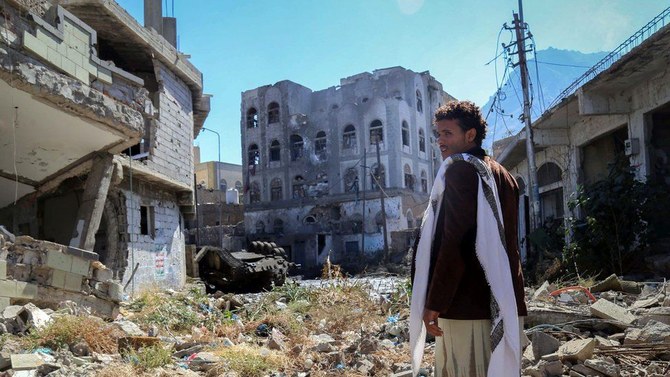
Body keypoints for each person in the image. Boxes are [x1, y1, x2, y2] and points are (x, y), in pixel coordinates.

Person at [409, 100, 527, 377]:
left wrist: (435, 302)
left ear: (470, 135)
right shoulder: (501, 173)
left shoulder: (462, 170)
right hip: (502, 299)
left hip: (467, 304)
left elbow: (457, 243)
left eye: (448, 133)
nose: (440, 141)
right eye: (438, 134)